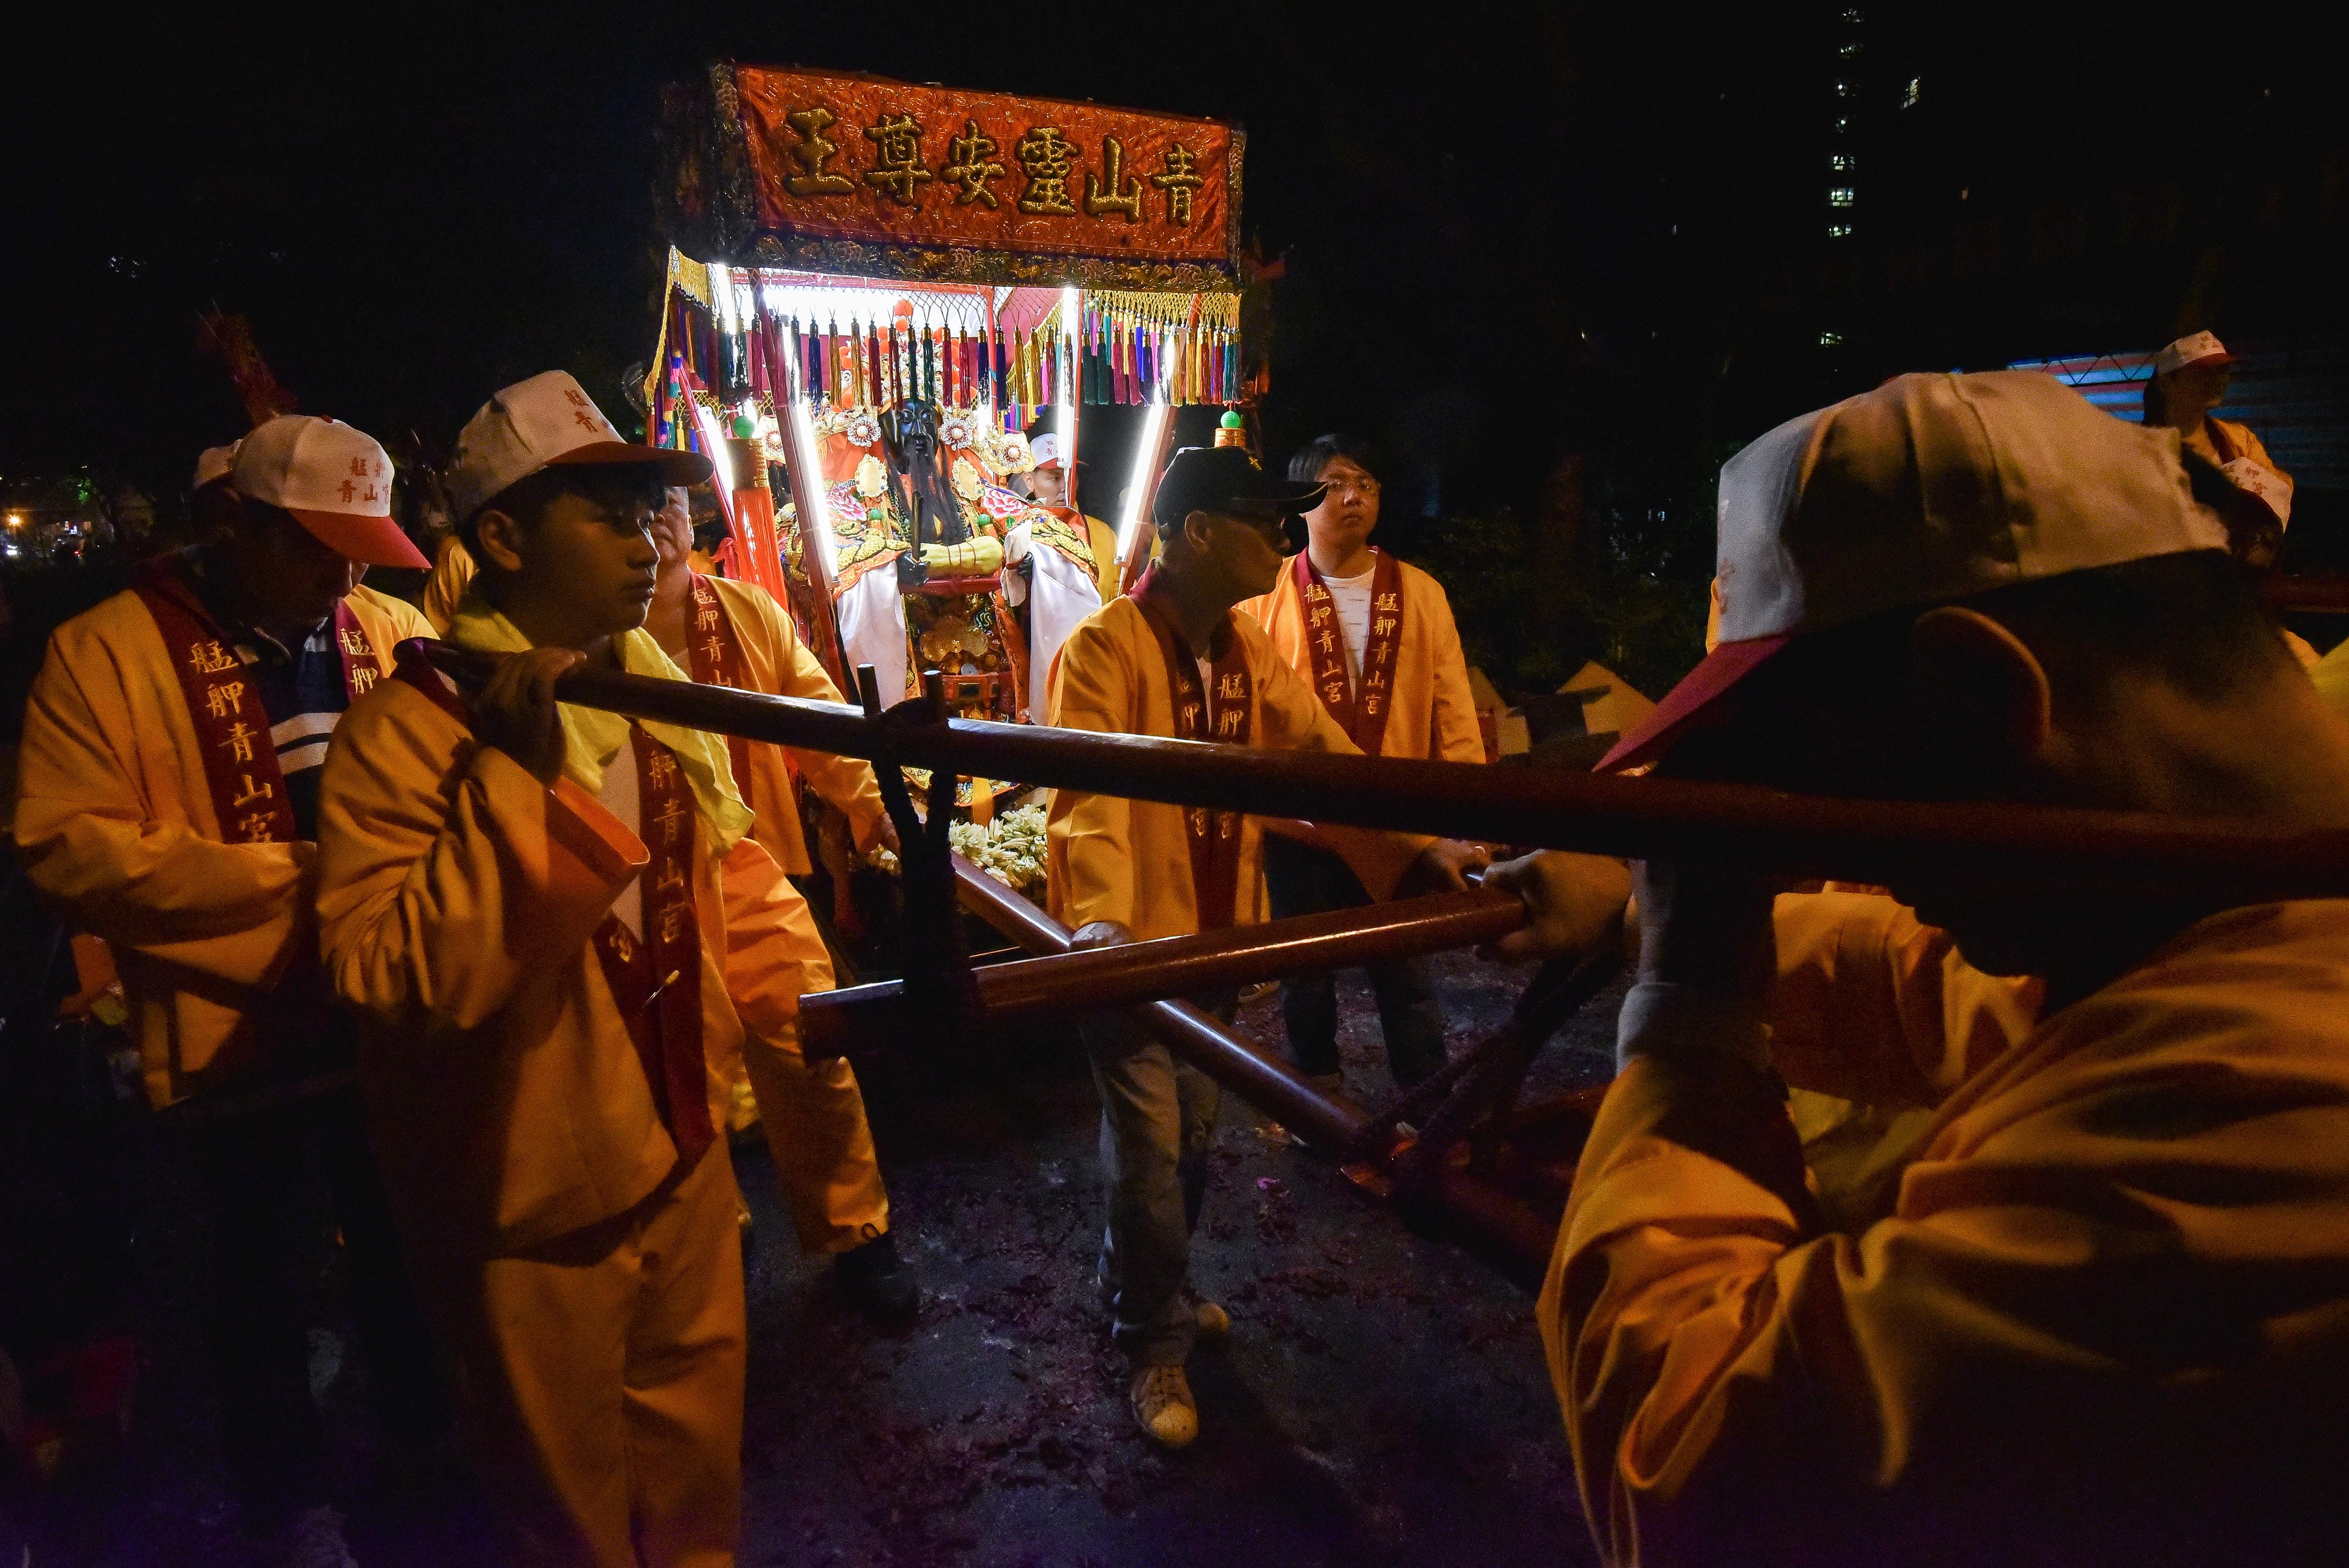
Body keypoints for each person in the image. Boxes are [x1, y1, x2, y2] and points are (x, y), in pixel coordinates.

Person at [1490, 369, 2349, 1566]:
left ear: (1980, 693)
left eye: (1826, 793)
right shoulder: (2252, 910)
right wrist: (1656, 914)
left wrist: (1687, 1007)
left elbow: (1700, 1478)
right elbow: (1990, 1003)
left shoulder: (2244, 1146)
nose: (1859, 861)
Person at [313, 371, 782, 1566]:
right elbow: (397, 981)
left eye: (650, 516)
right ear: (506, 539)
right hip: (532, 1208)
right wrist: (509, 786)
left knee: (696, 1488)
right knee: (563, 1518)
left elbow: (699, 906)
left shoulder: (641, 693)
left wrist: (731, 1076)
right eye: (609, 517)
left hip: (677, 1155)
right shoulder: (407, 733)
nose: (649, 544)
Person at [15, 417, 440, 1567]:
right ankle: (288, 1504)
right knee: (259, 1278)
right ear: (229, 525)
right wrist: (299, 883)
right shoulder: (103, 653)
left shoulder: (392, 628)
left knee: (413, 1251)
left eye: (361, 551)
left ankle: (432, 1462)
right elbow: (62, 845)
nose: (344, 579)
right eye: (314, 550)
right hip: (232, 1042)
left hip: (389, 1013)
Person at [1045, 445, 1488, 1450]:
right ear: (1199, 531)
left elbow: (1323, 756)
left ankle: (1144, 1281)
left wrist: (1419, 853)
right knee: (1153, 1151)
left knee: (1192, 1143)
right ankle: (1151, 1337)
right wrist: (1106, 927)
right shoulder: (1106, 647)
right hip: (1132, 952)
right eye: (1262, 520)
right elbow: (1086, 801)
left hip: (1220, 945)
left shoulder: (1249, 650)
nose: (1282, 540)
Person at [639, 484, 918, 1320]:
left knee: (811, 1040)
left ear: (694, 521)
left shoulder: (745, 612)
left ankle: (856, 1230)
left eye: (667, 503)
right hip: (636, 883)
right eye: (631, 504)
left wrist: (882, 809)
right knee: (671, 1063)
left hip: (748, 861)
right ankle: (715, 1229)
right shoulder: (576, 629)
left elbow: (820, 719)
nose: (654, 521)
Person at [1239, 434, 1486, 1091]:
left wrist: (1465, 822)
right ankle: (1313, 1101)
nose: (1353, 497)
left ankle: (1425, 1104)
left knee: (1405, 973)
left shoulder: (1421, 592)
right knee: (1305, 977)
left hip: (1394, 819)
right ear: (1299, 504)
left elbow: (1453, 712)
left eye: (1367, 484)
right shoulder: (1260, 600)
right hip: (1302, 826)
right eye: (1335, 484)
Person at [2143, 331, 2294, 566]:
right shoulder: (2140, 449)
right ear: (2166, 383)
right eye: (2202, 373)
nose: (2217, 381)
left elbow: (2279, 489)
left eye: (2222, 371)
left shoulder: (2239, 440)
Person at [1003, 431, 1123, 697]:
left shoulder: (1103, 534)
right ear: (1029, 480)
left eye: (1071, 477)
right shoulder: (1017, 533)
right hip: (1040, 667)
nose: (1065, 487)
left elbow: (1118, 598)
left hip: (1098, 664)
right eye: (1055, 478)